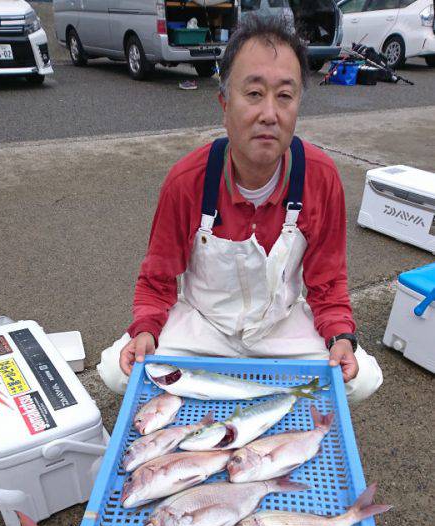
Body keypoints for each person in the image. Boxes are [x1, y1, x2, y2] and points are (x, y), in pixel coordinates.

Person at [97, 15, 383, 405]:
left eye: (285, 95)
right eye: (253, 94)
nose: (270, 114)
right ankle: (262, 393)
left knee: (362, 378)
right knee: (117, 369)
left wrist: (340, 336)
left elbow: (328, 283)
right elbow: (157, 280)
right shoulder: (187, 180)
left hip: (280, 326)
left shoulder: (321, 176)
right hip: (203, 326)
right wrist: (146, 328)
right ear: (224, 103)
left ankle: (254, 396)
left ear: (298, 104)